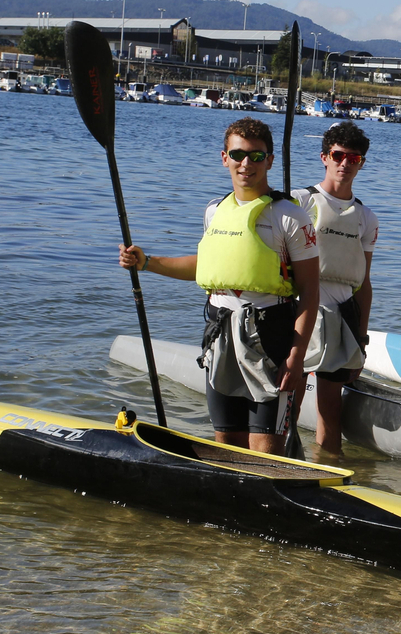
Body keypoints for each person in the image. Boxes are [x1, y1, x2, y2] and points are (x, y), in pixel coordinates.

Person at [118, 117, 319, 455]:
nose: (246, 163)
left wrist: (297, 356)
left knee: (264, 450)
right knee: (225, 445)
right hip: (220, 332)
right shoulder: (214, 210)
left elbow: (311, 290)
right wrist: (147, 262)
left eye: (256, 156)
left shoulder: (290, 216)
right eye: (238, 154)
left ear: (270, 160)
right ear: (225, 158)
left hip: (271, 336)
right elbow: (208, 267)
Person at [291, 121, 379, 455]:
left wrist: (361, 338)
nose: (345, 164)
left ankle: (330, 465)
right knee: (289, 399)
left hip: (343, 316)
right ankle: (282, 459)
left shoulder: (366, 217)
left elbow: (364, 283)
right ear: (324, 157)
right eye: (338, 156)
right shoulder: (299, 201)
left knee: (330, 407)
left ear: (361, 163)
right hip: (300, 311)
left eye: (353, 158)